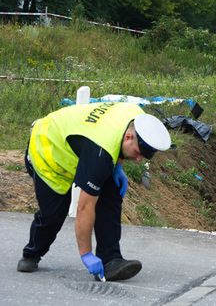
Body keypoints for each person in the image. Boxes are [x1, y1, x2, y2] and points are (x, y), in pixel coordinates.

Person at [17, 102, 171, 281]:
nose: (138, 160)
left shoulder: (136, 116)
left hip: (83, 148)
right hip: (50, 152)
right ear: (129, 137)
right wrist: (86, 254)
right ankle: (32, 254)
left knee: (111, 194)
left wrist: (117, 167)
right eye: (137, 153)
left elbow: (116, 140)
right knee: (53, 215)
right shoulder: (100, 152)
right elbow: (84, 207)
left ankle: (111, 260)